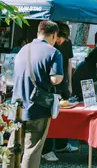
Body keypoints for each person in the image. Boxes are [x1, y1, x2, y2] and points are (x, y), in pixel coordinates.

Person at [3, 20, 64, 168]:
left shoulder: (23, 49)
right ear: (54, 35)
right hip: (37, 107)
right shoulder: (54, 53)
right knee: (32, 148)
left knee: (12, 144)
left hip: (16, 106)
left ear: (38, 32)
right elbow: (55, 79)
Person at [42, 23, 77, 162]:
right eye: (59, 38)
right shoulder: (49, 45)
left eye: (62, 39)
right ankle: (47, 149)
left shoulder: (67, 44)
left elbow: (69, 63)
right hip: (51, 82)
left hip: (62, 82)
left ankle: (62, 144)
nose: (60, 41)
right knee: (51, 115)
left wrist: (69, 83)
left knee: (64, 115)